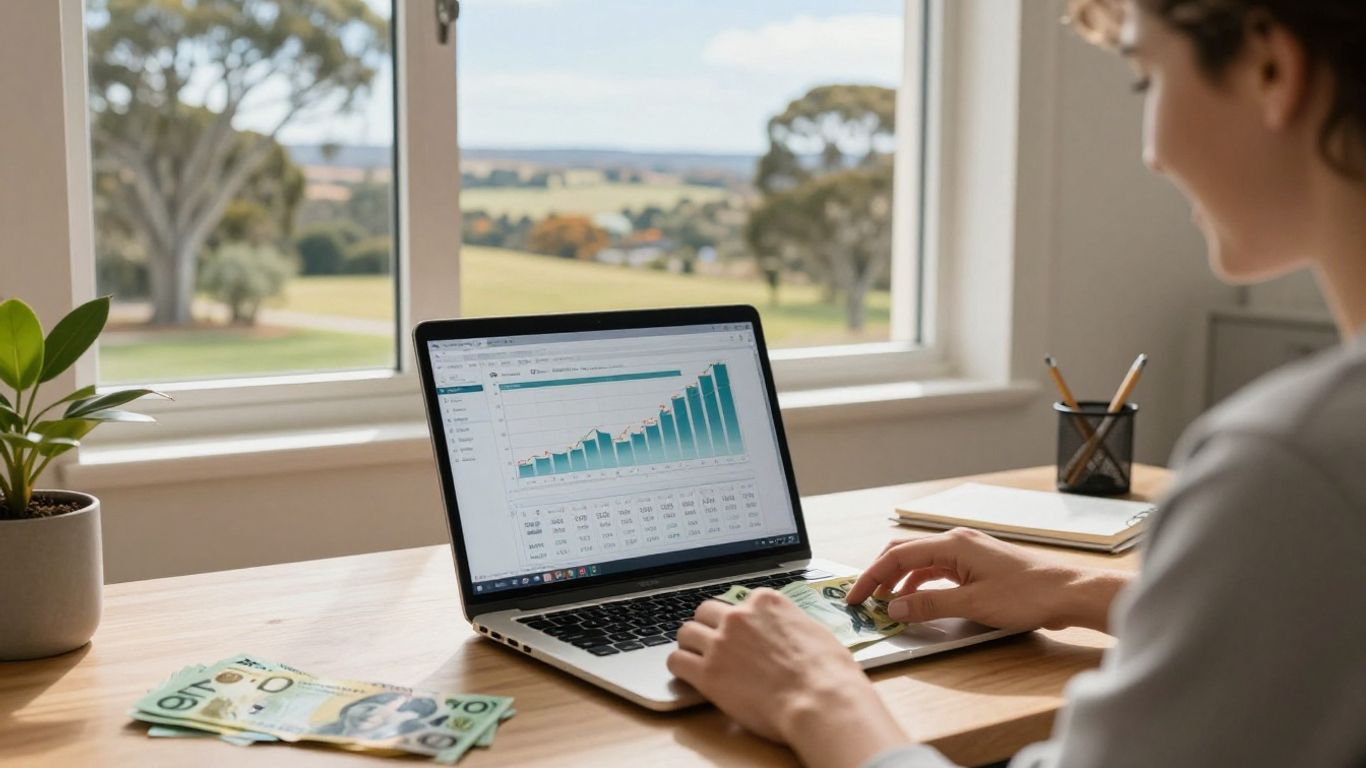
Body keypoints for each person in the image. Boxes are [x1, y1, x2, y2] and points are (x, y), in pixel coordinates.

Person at [667, 1, 1366, 766]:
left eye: (1144, 80)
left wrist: (818, 697)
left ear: (1273, 69)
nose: (1152, 155)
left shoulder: (1292, 467)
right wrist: (1072, 589)